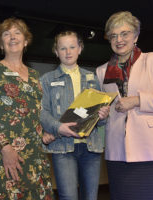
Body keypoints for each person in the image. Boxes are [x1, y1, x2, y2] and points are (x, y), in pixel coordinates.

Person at [96, 11, 153, 200]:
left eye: (124, 33)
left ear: (135, 36)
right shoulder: (101, 71)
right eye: (113, 35)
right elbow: (106, 109)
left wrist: (137, 100)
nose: (119, 39)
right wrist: (101, 114)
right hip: (119, 153)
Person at [0, 17, 54, 200]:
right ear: (1, 43)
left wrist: (43, 132)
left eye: (17, 33)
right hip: (5, 153)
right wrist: (5, 147)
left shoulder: (35, 75)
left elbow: (34, 111)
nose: (12, 37)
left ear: (26, 41)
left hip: (34, 154)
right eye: (6, 34)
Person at [40, 30, 110, 200]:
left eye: (72, 47)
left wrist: (103, 116)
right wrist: (58, 127)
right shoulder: (46, 79)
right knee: (68, 196)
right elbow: (42, 112)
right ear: (56, 52)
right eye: (63, 48)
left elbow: (100, 122)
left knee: (90, 196)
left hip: (90, 147)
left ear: (80, 48)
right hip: (62, 147)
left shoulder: (92, 78)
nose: (68, 52)